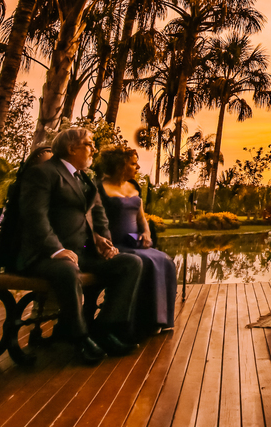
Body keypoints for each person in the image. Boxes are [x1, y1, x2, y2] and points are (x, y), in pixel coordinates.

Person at [18, 127, 143, 365]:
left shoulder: (85, 179)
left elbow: (99, 216)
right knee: (67, 269)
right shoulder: (43, 174)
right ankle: (79, 336)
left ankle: (105, 330)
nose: (93, 149)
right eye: (89, 144)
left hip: (82, 253)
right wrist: (56, 250)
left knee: (130, 263)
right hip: (45, 256)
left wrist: (103, 243)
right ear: (71, 148)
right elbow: (35, 216)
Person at [95, 145, 176, 332]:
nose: (137, 167)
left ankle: (160, 319)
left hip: (135, 242)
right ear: (120, 165)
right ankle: (140, 322)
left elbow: (141, 218)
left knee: (165, 260)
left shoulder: (132, 186)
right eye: (133, 163)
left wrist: (146, 234)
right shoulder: (100, 188)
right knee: (147, 262)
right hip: (115, 245)